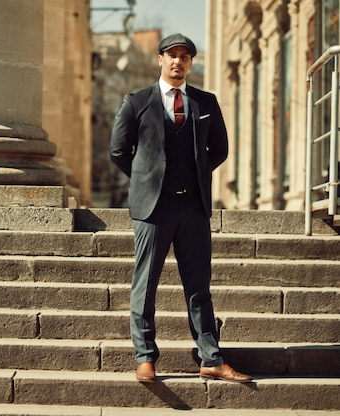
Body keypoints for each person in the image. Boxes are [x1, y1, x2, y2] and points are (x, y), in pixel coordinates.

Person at [109, 33, 252, 383]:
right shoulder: (136, 101)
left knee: (199, 286)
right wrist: (146, 179)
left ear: (190, 63)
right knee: (145, 284)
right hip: (153, 210)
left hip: (193, 206)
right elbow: (117, 150)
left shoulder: (206, 102)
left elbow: (219, 149)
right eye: (172, 55)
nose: (178, 61)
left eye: (185, 56)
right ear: (160, 59)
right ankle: (144, 357)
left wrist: (199, 173)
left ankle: (211, 358)